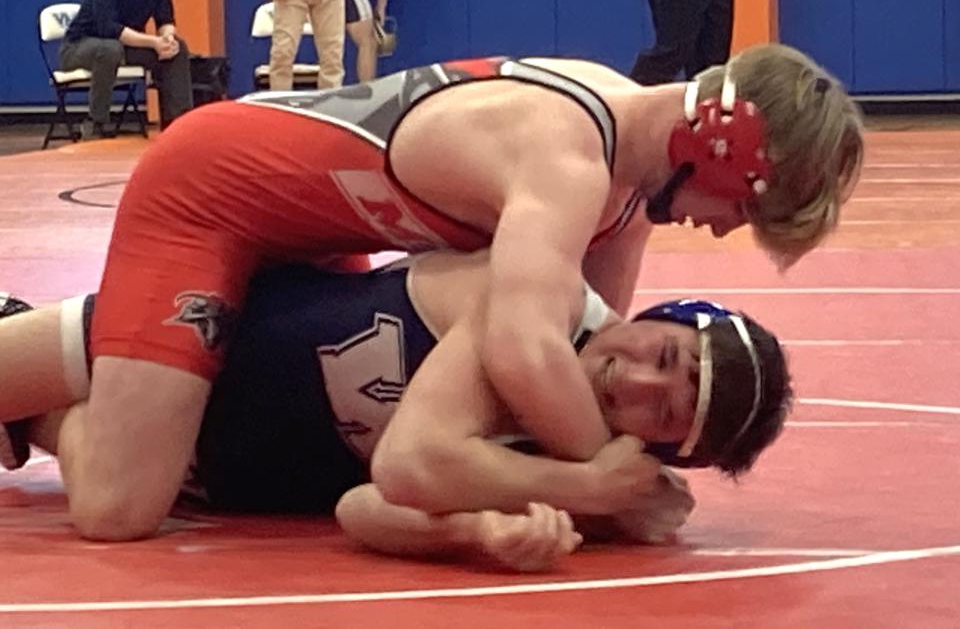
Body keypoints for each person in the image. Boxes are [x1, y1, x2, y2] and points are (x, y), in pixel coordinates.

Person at [29, 43, 859, 542]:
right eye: (741, 208)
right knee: (120, 507)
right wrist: (601, 485)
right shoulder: (570, 157)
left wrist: (611, 460)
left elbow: (585, 356)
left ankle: (97, 376)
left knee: (269, 394)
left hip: (318, 242)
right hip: (212, 196)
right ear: (717, 149)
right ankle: (33, 400)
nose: (720, 229)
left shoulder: (623, 184)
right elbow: (528, 349)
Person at [0, 249, 791, 570]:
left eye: (664, 415)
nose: (640, 386)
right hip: (182, 337)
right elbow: (409, 462)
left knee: (102, 470)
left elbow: (365, 506)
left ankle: (34, 417)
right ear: (658, 313)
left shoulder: (563, 451)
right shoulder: (532, 304)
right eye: (666, 356)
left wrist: (474, 532)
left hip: (199, 469)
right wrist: (587, 488)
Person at [60, 0, 193, 138]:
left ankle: (178, 124)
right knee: (110, 49)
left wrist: (167, 38)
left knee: (177, 48)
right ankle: (96, 122)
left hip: (125, 46)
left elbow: (165, 19)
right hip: (80, 46)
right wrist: (153, 42)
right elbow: (109, 29)